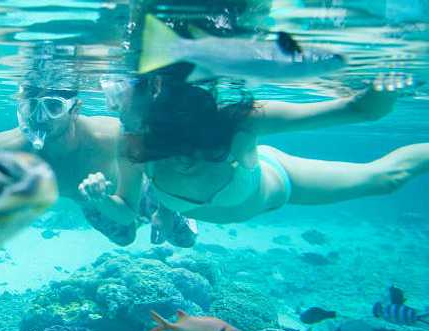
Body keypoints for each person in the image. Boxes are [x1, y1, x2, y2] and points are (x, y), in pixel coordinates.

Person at [79, 71, 426, 225]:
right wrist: (100, 200)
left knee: (388, 179)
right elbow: (126, 211)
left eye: (117, 93)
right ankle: (167, 217)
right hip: (232, 194)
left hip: (277, 180)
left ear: (156, 92)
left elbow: (361, 109)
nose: (112, 106)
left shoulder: (238, 121)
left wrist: (389, 75)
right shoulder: (133, 144)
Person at [0, 81, 198, 247]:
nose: (39, 118)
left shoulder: (111, 135)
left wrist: (166, 209)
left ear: (74, 110)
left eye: (53, 107)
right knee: (124, 239)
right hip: (96, 200)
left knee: (184, 238)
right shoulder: (12, 144)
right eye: (31, 106)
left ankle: (166, 213)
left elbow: (161, 161)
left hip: (140, 188)